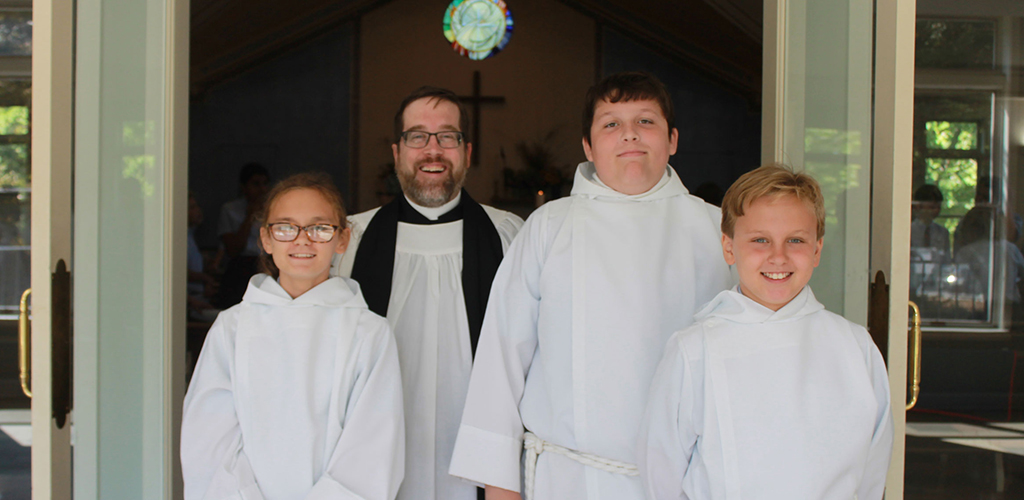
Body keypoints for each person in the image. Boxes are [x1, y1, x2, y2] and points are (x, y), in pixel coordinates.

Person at [448, 72, 733, 500]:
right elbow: (502, 356)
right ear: (588, 146)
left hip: (688, 483)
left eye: (646, 122)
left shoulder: (718, 231)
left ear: (672, 139)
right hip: (569, 479)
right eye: (611, 124)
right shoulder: (550, 227)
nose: (630, 135)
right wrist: (500, 486)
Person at [636, 164, 893, 499]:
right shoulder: (695, 350)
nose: (778, 256)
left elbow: (873, 468)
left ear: (817, 250)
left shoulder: (854, 347)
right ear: (728, 248)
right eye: (760, 240)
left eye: (796, 240)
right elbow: (662, 470)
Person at [331, 87, 523, 500]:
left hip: (477, 454)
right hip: (383, 452)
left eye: (447, 137)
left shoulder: (508, 237)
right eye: (418, 137)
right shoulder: (352, 238)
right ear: (397, 151)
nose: (432, 150)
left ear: (467, 152)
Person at [182, 172, 405, 500]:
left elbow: (373, 449)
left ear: (343, 238)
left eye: (319, 228)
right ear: (266, 239)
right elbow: (209, 441)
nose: (302, 240)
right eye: (286, 227)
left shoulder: (369, 333)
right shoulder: (232, 328)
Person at [214, 162, 270, 308]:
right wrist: (250, 215)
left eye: (265, 184)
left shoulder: (274, 209)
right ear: (243, 187)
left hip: (267, 262)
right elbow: (233, 249)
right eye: (256, 184)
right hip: (240, 266)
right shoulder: (230, 209)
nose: (262, 189)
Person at [910, 184, 950, 257]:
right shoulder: (909, 231)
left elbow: (946, 261)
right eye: (932, 207)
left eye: (939, 207)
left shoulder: (943, 233)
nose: (936, 211)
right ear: (918, 206)